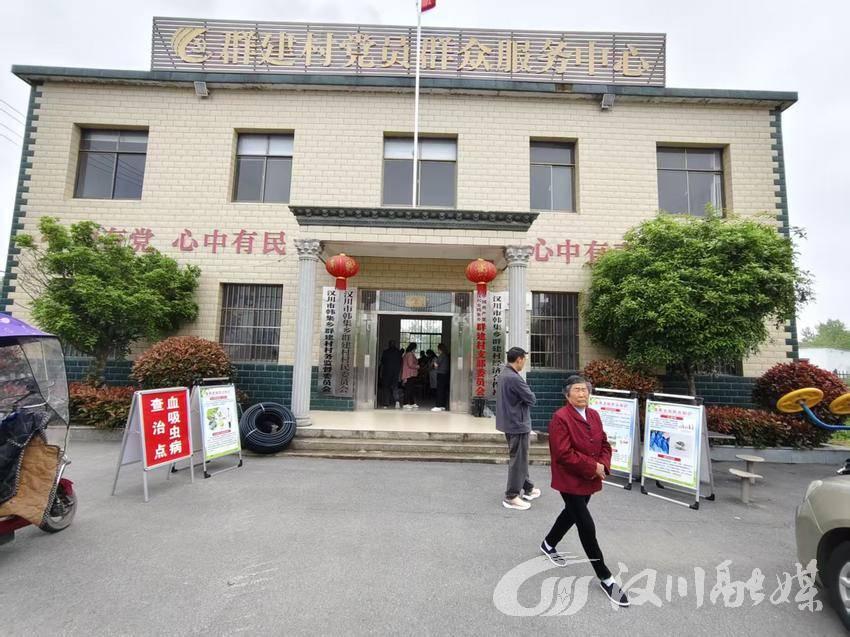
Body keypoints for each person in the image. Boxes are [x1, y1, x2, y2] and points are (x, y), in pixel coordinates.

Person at [539, 375, 629, 607]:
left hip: (589, 478)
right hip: (569, 479)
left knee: (571, 514)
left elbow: (604, 444)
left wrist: (603, 465)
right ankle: (605, 577)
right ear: (567, 394)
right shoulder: (560, 418)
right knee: (586, 526)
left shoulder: (594, 415)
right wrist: (593, 466)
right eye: (577, 390)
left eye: (585, 389)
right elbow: (563, 454)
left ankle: (548, 543)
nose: (582, 394)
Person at [495, 346, 540, 510]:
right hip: (517, 424)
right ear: (519, 359)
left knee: (520, 458)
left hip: (510, 422)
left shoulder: (504, 374)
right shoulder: (514, 378)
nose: (524, 363)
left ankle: (528, 488)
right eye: (524, 360)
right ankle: (511, 496)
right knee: (518, 460)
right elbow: (532, 399)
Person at [379, 340, 402, 409]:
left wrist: (381, 373)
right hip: (395, 373)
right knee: (395, 387)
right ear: (395, 344)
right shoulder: (398, 352)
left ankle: (386, 403)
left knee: (386, 387)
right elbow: (401, 362)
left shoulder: (385, 352)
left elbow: (382, 362)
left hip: (387, 372)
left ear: (389, 345)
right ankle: (397, 402)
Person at [431, 343, 450, 412]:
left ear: (440, 349)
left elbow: (436, 365)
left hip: (441, 374)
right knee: (443, 390)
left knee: (439, 390)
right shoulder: (446, 355)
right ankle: (442, 405)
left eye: (438, 349)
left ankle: (438, 406)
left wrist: (434, 362)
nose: (438, 351)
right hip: (445, 375)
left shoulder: (441, 355)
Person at [401, 343, 419, 410]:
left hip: (408, 373)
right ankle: (405, 403)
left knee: (411, 389)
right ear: (414, 348)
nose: (416, 349)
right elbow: (410, 364)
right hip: (410, 374)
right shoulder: (410, 354)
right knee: (408, 389)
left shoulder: (407, 354)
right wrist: (417, 366)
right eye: (415, 348)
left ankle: (412, 403)